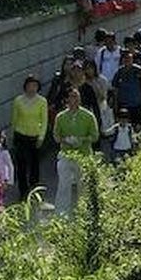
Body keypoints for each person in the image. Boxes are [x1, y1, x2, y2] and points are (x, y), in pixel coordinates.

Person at [52, 87, 99, 216]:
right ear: (67, 99)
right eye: (72, 96)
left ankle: (84, 213)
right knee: (63, 185)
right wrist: (65, 140)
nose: (75, 99)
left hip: (84, 155)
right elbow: (56, 136)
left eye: (77, 96)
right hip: (66, 155)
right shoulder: (60, 117)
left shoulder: (88, 116)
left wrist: (82, 140)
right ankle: (61, 214)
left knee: (83, 186)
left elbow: (95, 136)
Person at [9, 76, 48, 200]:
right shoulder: (18, 101)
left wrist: (41, 137)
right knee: (21, 164)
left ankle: (34, 189)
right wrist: (13, 134)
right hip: (21, 135)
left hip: (35, 136)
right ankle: (23, 190)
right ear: (25, 86)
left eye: (35, 86)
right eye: (30, 85)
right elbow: (14, 119)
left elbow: (44, 120)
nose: (32, 88)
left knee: (34, 164)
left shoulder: (42, 101)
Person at [111, 50, 141, 131]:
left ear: (132, 59)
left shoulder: (139, 70)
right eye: (125, 59)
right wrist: (115, 104)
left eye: (129, 58)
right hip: (124, 104)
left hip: (137, 104)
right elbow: (115, 89)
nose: (127, 60)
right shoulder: (119, 72)